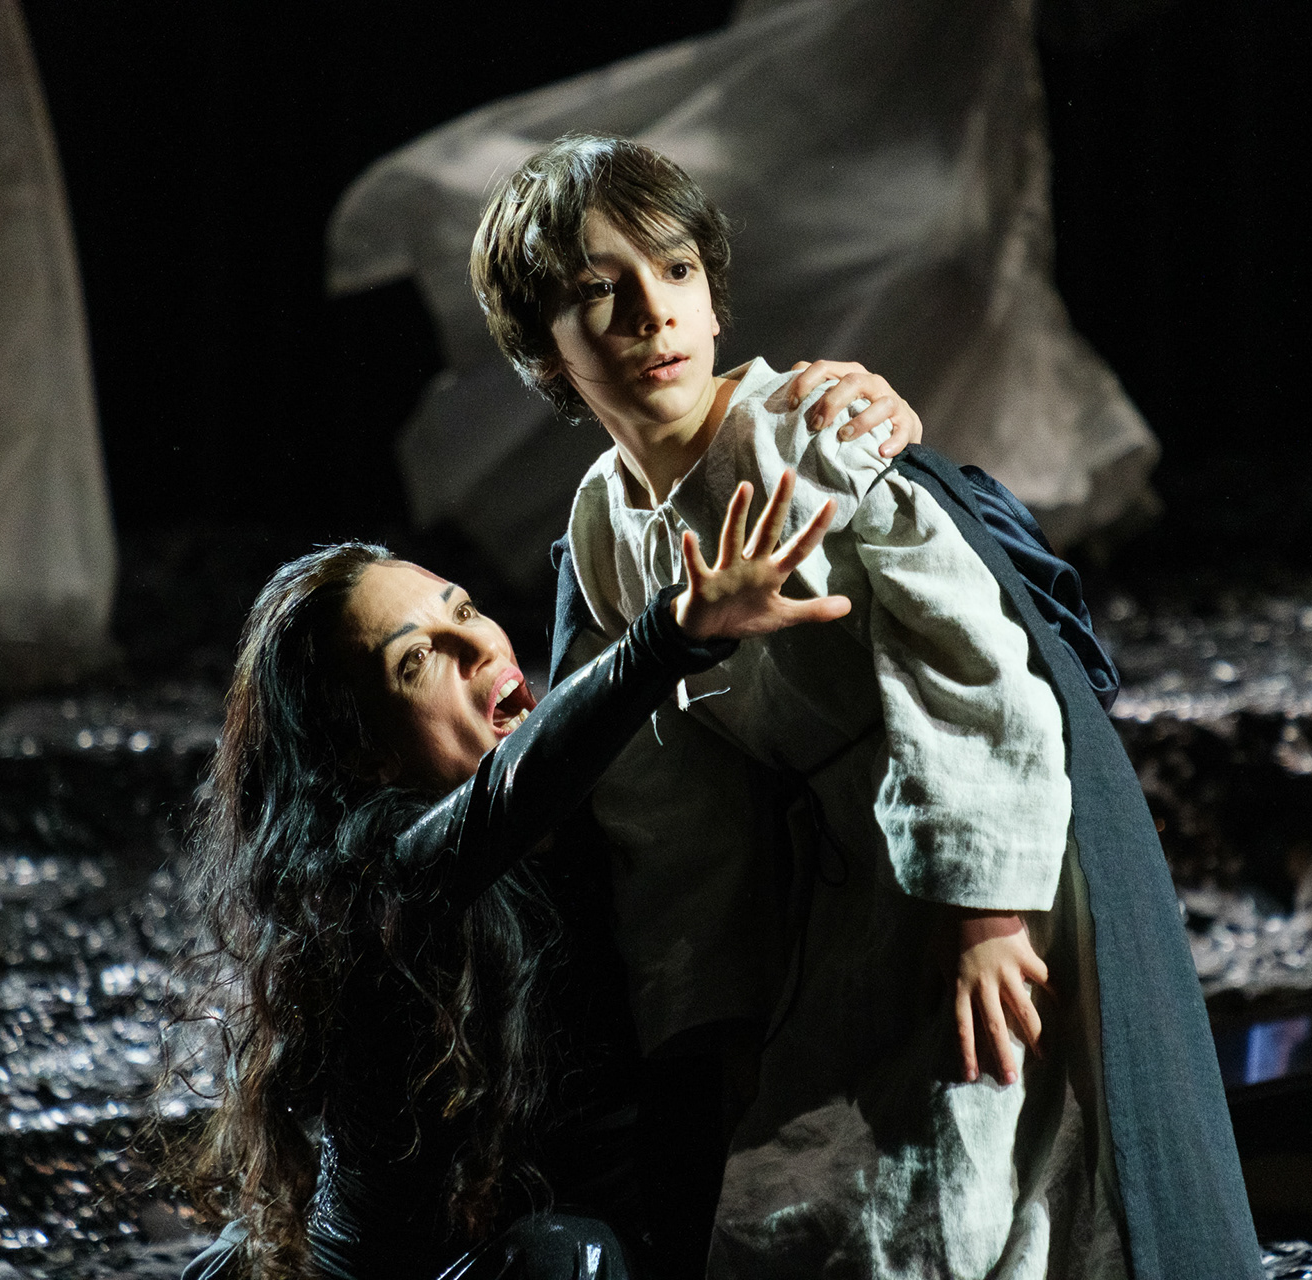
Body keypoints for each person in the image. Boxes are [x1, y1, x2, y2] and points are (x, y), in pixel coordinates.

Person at [470, 135, 1262, 1279]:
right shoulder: (602, 524)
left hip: (968, 840)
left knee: (964, 1186)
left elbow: (968, 658)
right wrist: (705, 1003)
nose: (652, 311)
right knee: (833, 1202)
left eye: (676, 269)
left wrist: (987, 909)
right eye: (599, 289)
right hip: (832, 893)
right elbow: (663, 795)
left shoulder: (805, 432)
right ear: (546, 346)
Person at [164, 378, 924, 1279]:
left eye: (462, 609)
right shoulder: (374, 880)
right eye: (418, 660)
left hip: (570, 1250)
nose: (479, 646)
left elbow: (577, 681)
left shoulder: (605, 795)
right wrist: (675, 632)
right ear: (367, 755)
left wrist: (855, 419)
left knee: (565, 1255)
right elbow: (510, 795)